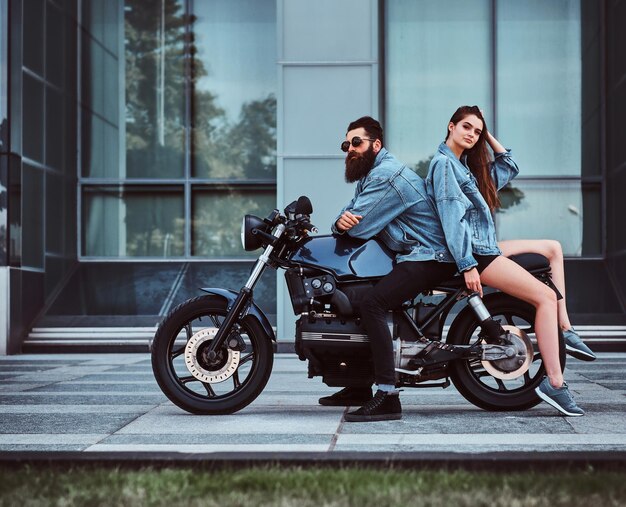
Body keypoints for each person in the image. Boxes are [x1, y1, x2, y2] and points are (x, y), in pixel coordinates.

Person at [425, 105, 584, 416]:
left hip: (485, 248)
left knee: (552, 249)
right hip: (478, 254)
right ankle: (554, 381)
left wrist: (487, 136)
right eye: (466, 127)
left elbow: (508, 165)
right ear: (451, 126)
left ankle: (565, 330)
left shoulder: (465, 169)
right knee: (545, 297)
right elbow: (450, 219)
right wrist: (466, 264)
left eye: (477, 131)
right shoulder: (444, 165)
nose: (471, 134)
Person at [321, 116, 459, 422]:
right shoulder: (369, 177)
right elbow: (350, 214)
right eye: (346, 145)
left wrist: (343, 223)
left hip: (429, 256)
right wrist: (339, 222)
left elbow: (359, 226)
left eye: (356, 143)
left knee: (372, 304)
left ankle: (388, 395)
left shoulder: (386, 175)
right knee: (358, 298)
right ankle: (359, 386)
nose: (350, 150)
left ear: (376, 144)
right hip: (414, 256)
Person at [498, 239, 596, 361]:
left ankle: (565, 326)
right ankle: (564, 329)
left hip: (485, 244)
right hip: (477, 249)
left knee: (554, 248)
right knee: (546, 297)